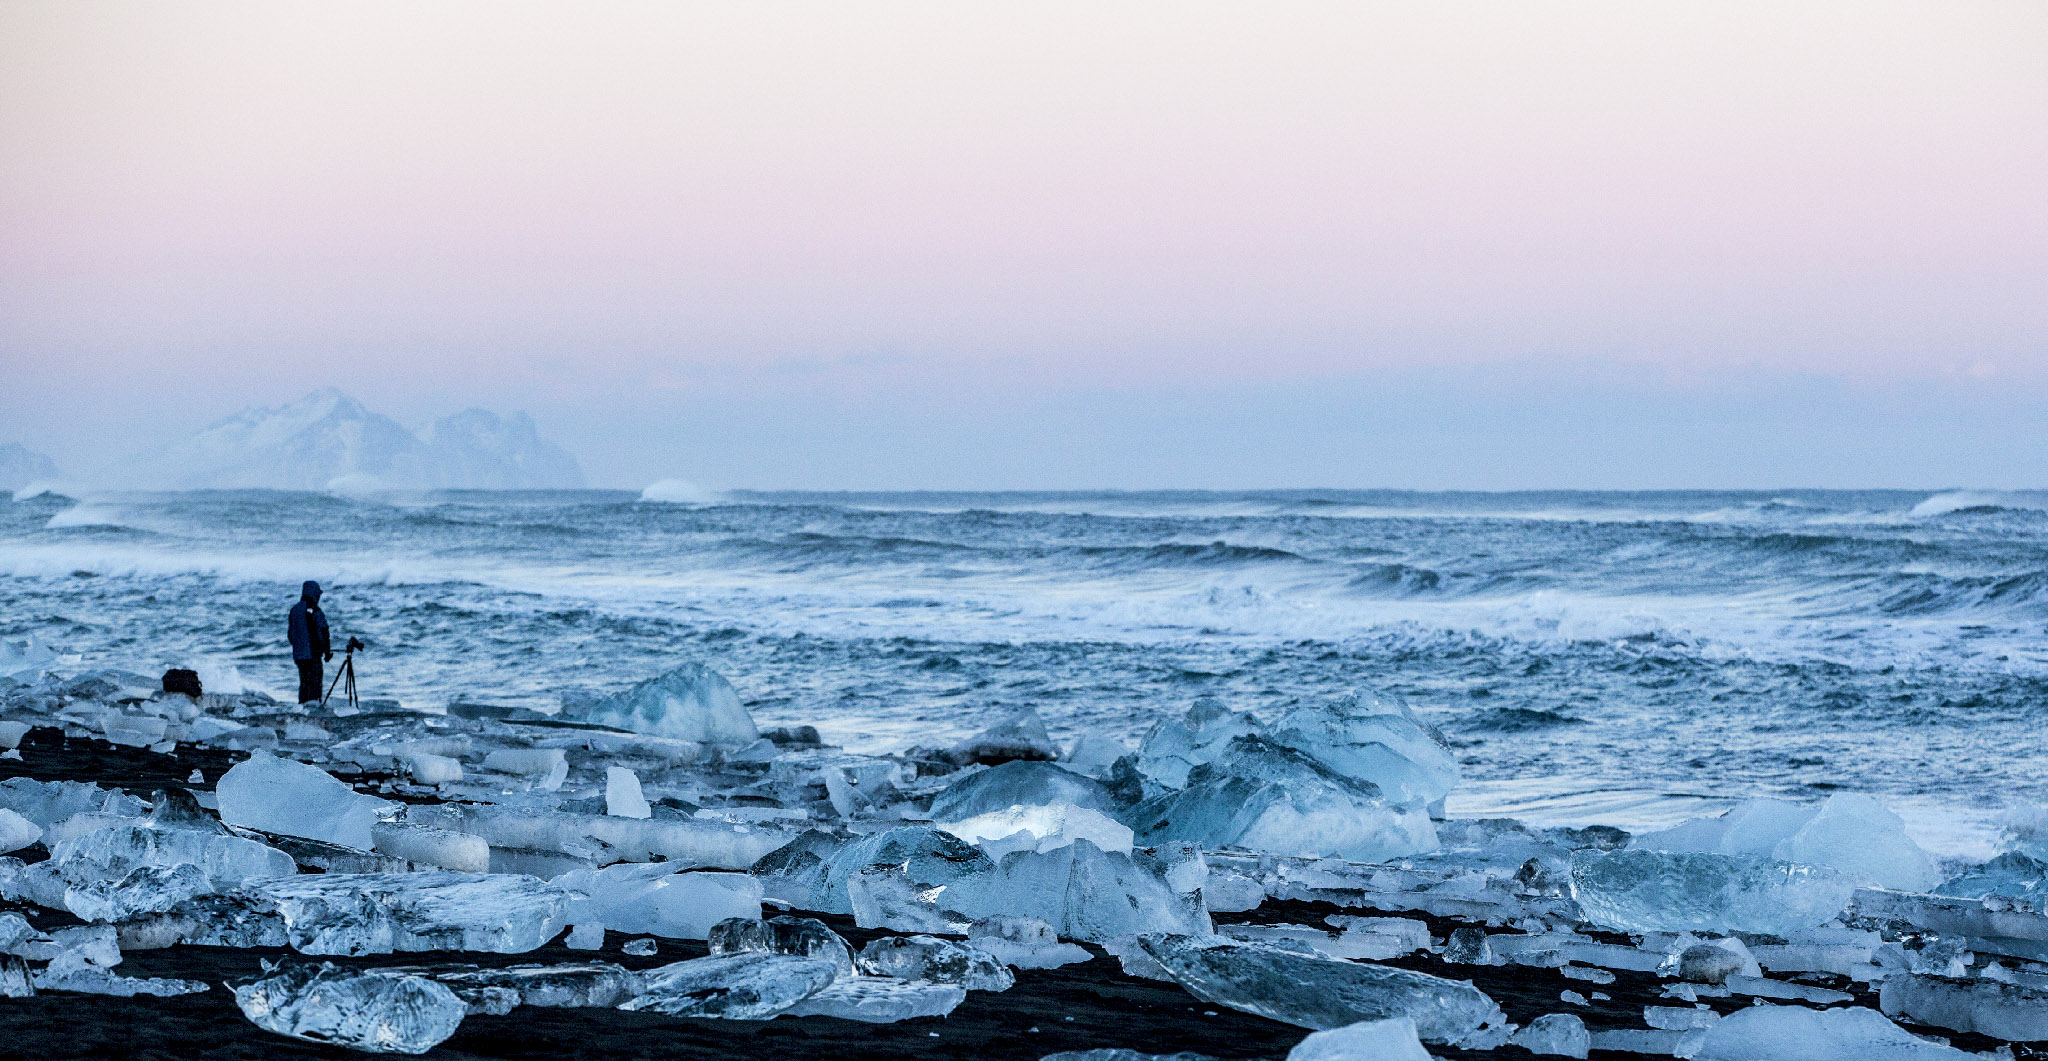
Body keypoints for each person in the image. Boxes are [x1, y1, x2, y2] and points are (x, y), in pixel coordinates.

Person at [287, 580, 332, 705]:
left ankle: (302, 708)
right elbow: (323, 632)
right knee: (315, 685)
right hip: (312, 655)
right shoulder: (316, 611)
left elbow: (291, 635)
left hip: (299, 656)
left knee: (304, 684)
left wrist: (299, 647)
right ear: (314, 594)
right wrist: (327, 652)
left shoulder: (294, 610)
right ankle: (313, 712)